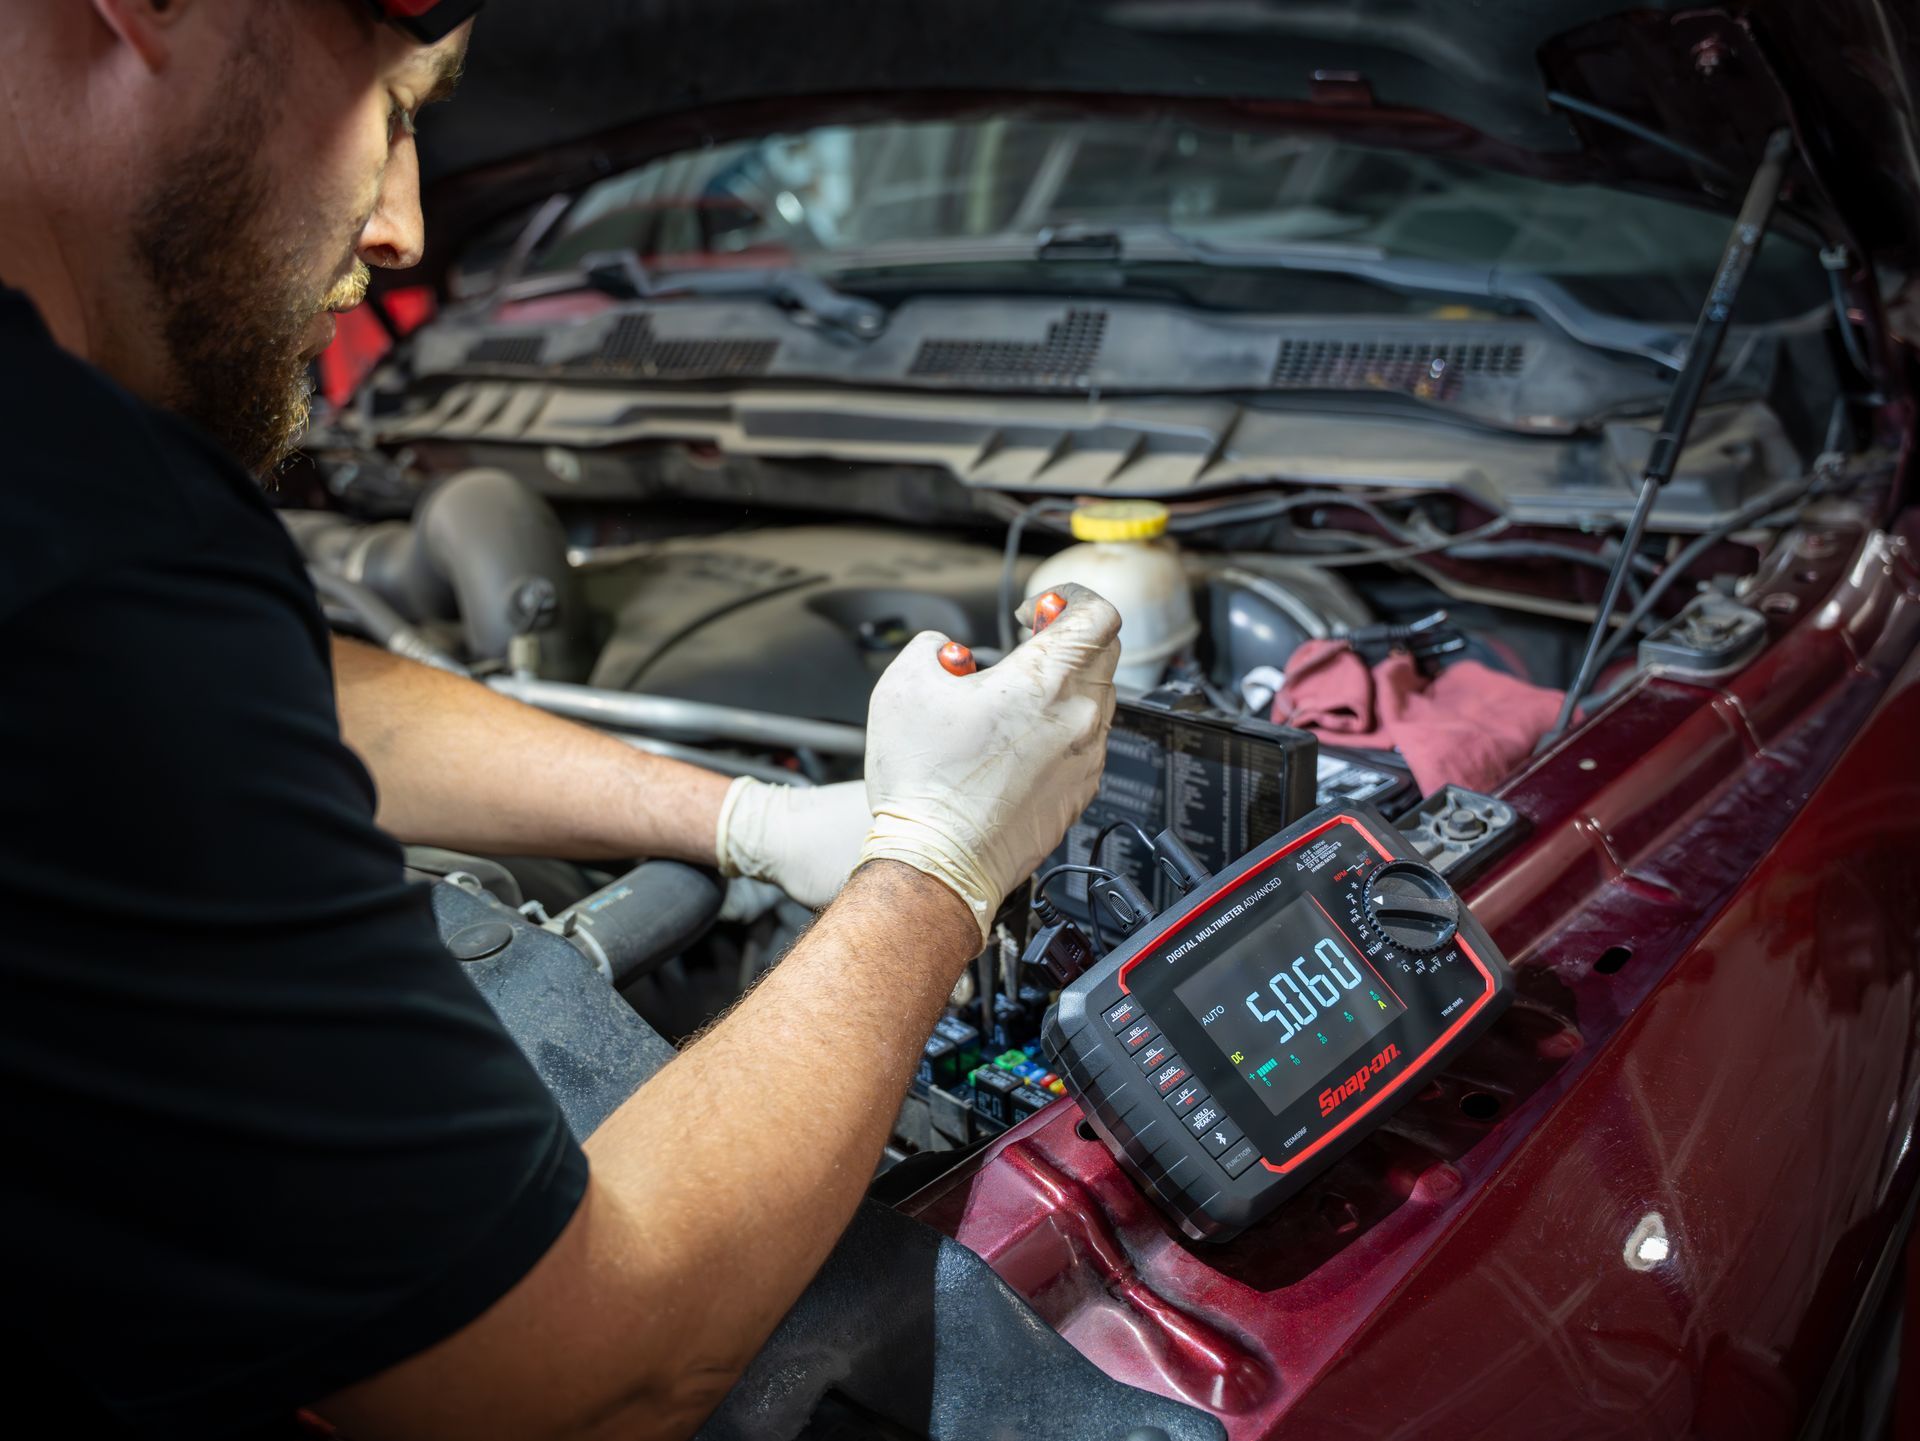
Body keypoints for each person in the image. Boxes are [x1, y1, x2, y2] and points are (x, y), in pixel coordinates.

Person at [0, 3, 1121, 1437]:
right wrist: (936, 874)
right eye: (384, 99)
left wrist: (749, 818)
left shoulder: (66, 534)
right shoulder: (74, 534)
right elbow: (572, 1372)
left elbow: (272, 700)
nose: (403, 224)